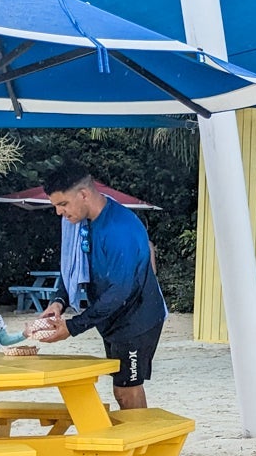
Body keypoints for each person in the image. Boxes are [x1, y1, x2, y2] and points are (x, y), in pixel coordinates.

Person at [34, 164, 169, 411]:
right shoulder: (79, 222)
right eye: (55, 205)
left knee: (127, 389)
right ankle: (134, 444)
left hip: (137, 316)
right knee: (122, 388)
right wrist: (59, 301)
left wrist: (72, 327)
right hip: (111, 317)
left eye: (62, 204)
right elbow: (72, 264)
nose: (58, 212)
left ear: (83, 194)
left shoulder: (121, 229)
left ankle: (139, 446)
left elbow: (121, 291)